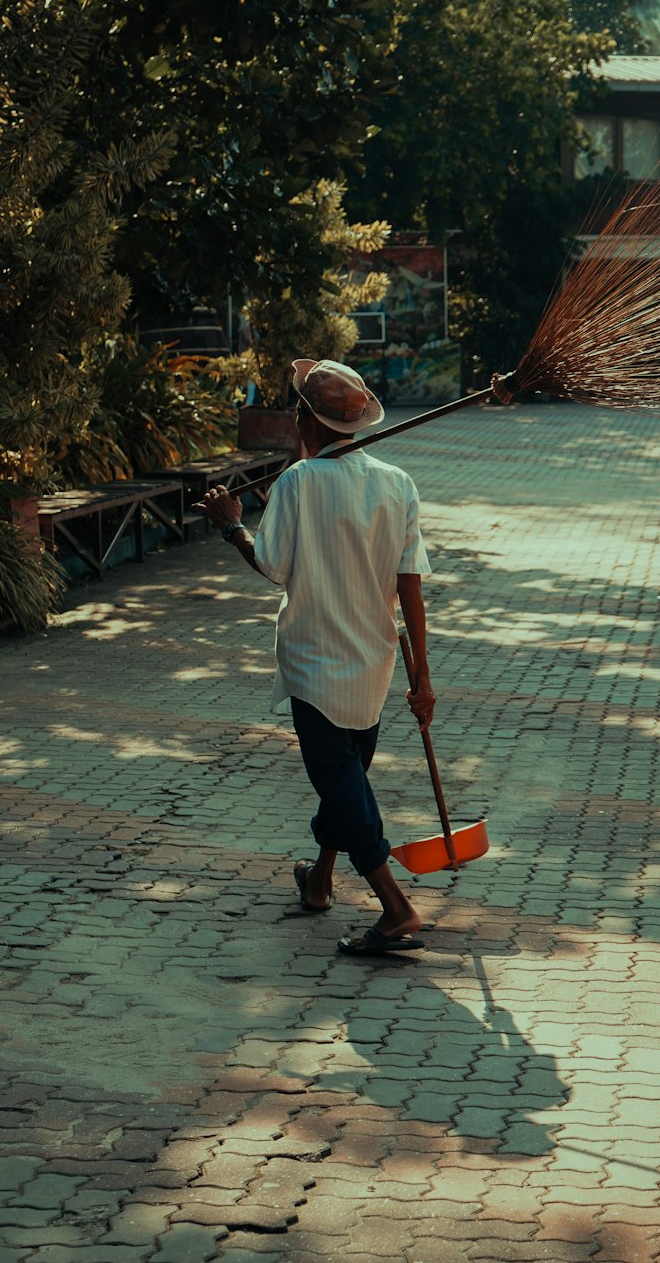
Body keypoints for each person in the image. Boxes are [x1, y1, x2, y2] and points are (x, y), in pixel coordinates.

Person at [196, 358, 436, 957]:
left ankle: (395, 906)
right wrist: (422, 677)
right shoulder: (397, 482)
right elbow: (411, 586)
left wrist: (232, 528)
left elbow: (273, 567)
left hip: (314, 661)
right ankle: (321, 883)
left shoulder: (296, 483)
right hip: (374, 663)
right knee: (345, 777)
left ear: (305, 419)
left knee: (339, 780)